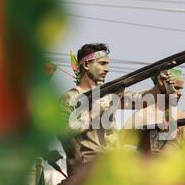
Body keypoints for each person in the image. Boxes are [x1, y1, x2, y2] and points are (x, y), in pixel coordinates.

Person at [58, 43, 175, 176]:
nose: (107, 69)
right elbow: (62, 131)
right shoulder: (70, 98)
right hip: (83, 177)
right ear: (86, 65)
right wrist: (91, 116)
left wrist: (159, 89)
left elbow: (142, 100)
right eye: (102, 63)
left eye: (107, 64)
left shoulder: (109, 93)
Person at [123, 68, 185, 154]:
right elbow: (124, 146)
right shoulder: (140, 116)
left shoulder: (183, 117)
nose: (180, 93)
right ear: (162, 86)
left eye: (181, 88)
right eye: (176, 88)